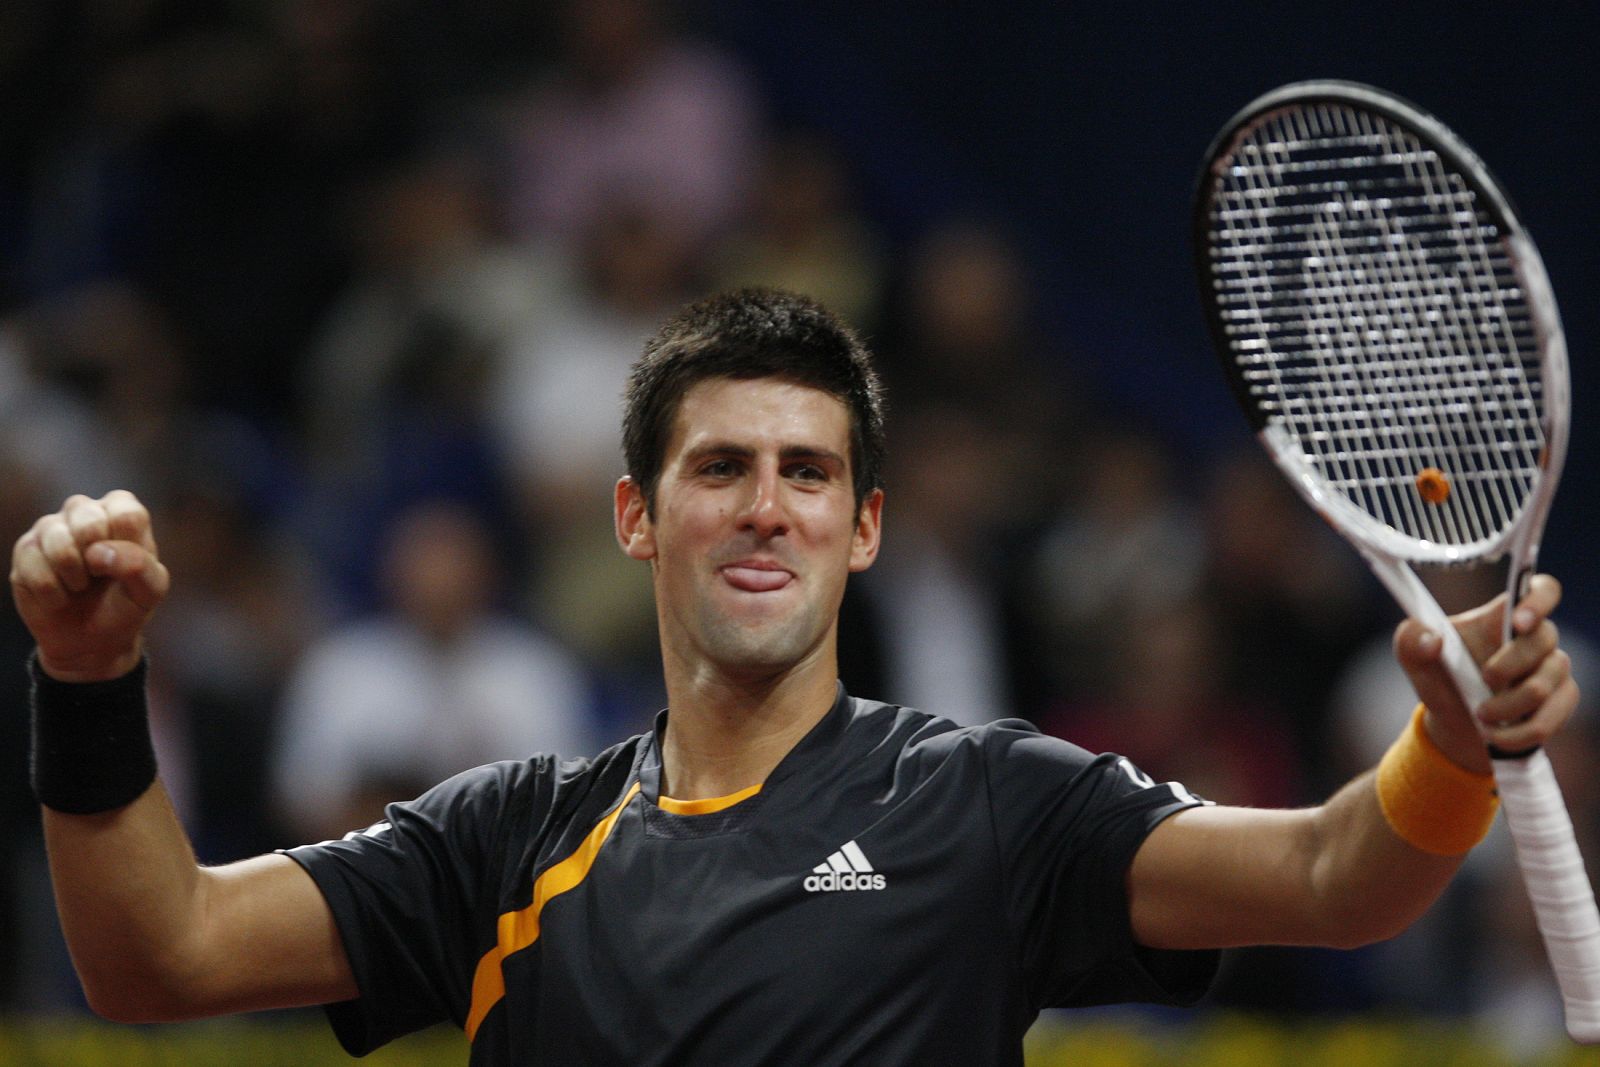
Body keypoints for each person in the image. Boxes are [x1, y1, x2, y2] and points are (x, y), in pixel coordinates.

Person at [9, 288, 1580, 1064]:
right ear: (636, 515)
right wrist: (87, 683)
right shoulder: (503, 845)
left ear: (865, 527)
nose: (768, 503)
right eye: (722, 467)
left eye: (811, 473)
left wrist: (1445, 747)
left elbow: (1331, 876)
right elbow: (160, 956)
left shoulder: (990, 805)